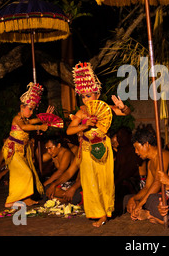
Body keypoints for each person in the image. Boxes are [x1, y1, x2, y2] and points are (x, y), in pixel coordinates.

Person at [66, 61, 131, 227]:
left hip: (104, 147)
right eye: (83, 96)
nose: (86, 99)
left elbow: (124, 113)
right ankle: (97, 212)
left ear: (97, 95)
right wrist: (84, 125)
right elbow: (69, 131)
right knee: (89, 181)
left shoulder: (106, 108)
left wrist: (123, 107)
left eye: (89, 95)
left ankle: (105, 212)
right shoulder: (82, 112)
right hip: (87, 148)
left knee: (105, 180)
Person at [2, 83, 49, 208]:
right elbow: (24, 127)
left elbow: (33, 121)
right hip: (13, 150)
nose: (31, 112)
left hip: (21, 150)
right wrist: (40, 127)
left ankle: (26, 198)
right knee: (26, 173)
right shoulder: (17, 118)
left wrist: (46, 117)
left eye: (32, 109)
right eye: (29, 109)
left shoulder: (25, 119)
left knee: (19, 175)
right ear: (22, 107)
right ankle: (11, 201)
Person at [124, 127, 169, 221]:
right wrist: (134, 199)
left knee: (152, 199)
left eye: (137, 148)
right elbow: (147, 187)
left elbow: (157, 183)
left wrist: (139, 204)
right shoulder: (150, 162)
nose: (136, 152)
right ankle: (150, 212)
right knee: (128, 198)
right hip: (158, 195)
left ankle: (150, 214)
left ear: (146, 144)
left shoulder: (163, 155)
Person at [113, 126, 143, 215]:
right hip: (122, 179)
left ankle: (119, 210)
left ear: (129, 136)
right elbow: (117, 169)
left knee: (122, 185)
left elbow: (132, 169)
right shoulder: (120, 151)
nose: (120, 139)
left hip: (135, 180)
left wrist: (118, 180)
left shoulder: (134, 149)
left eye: (123, 136)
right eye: (118, 136)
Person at [41, 135, 77, 201]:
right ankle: (60, 198)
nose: (48, 151)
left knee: (46, 188)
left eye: (50, 148)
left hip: (70, 182)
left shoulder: (66, 153)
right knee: (46, 188)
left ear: (58, 145)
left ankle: (66, 198)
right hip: (60, 182)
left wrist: (43, 185)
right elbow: (40, 160)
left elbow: (60, 172)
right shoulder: (53, 153)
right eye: (47, 149)